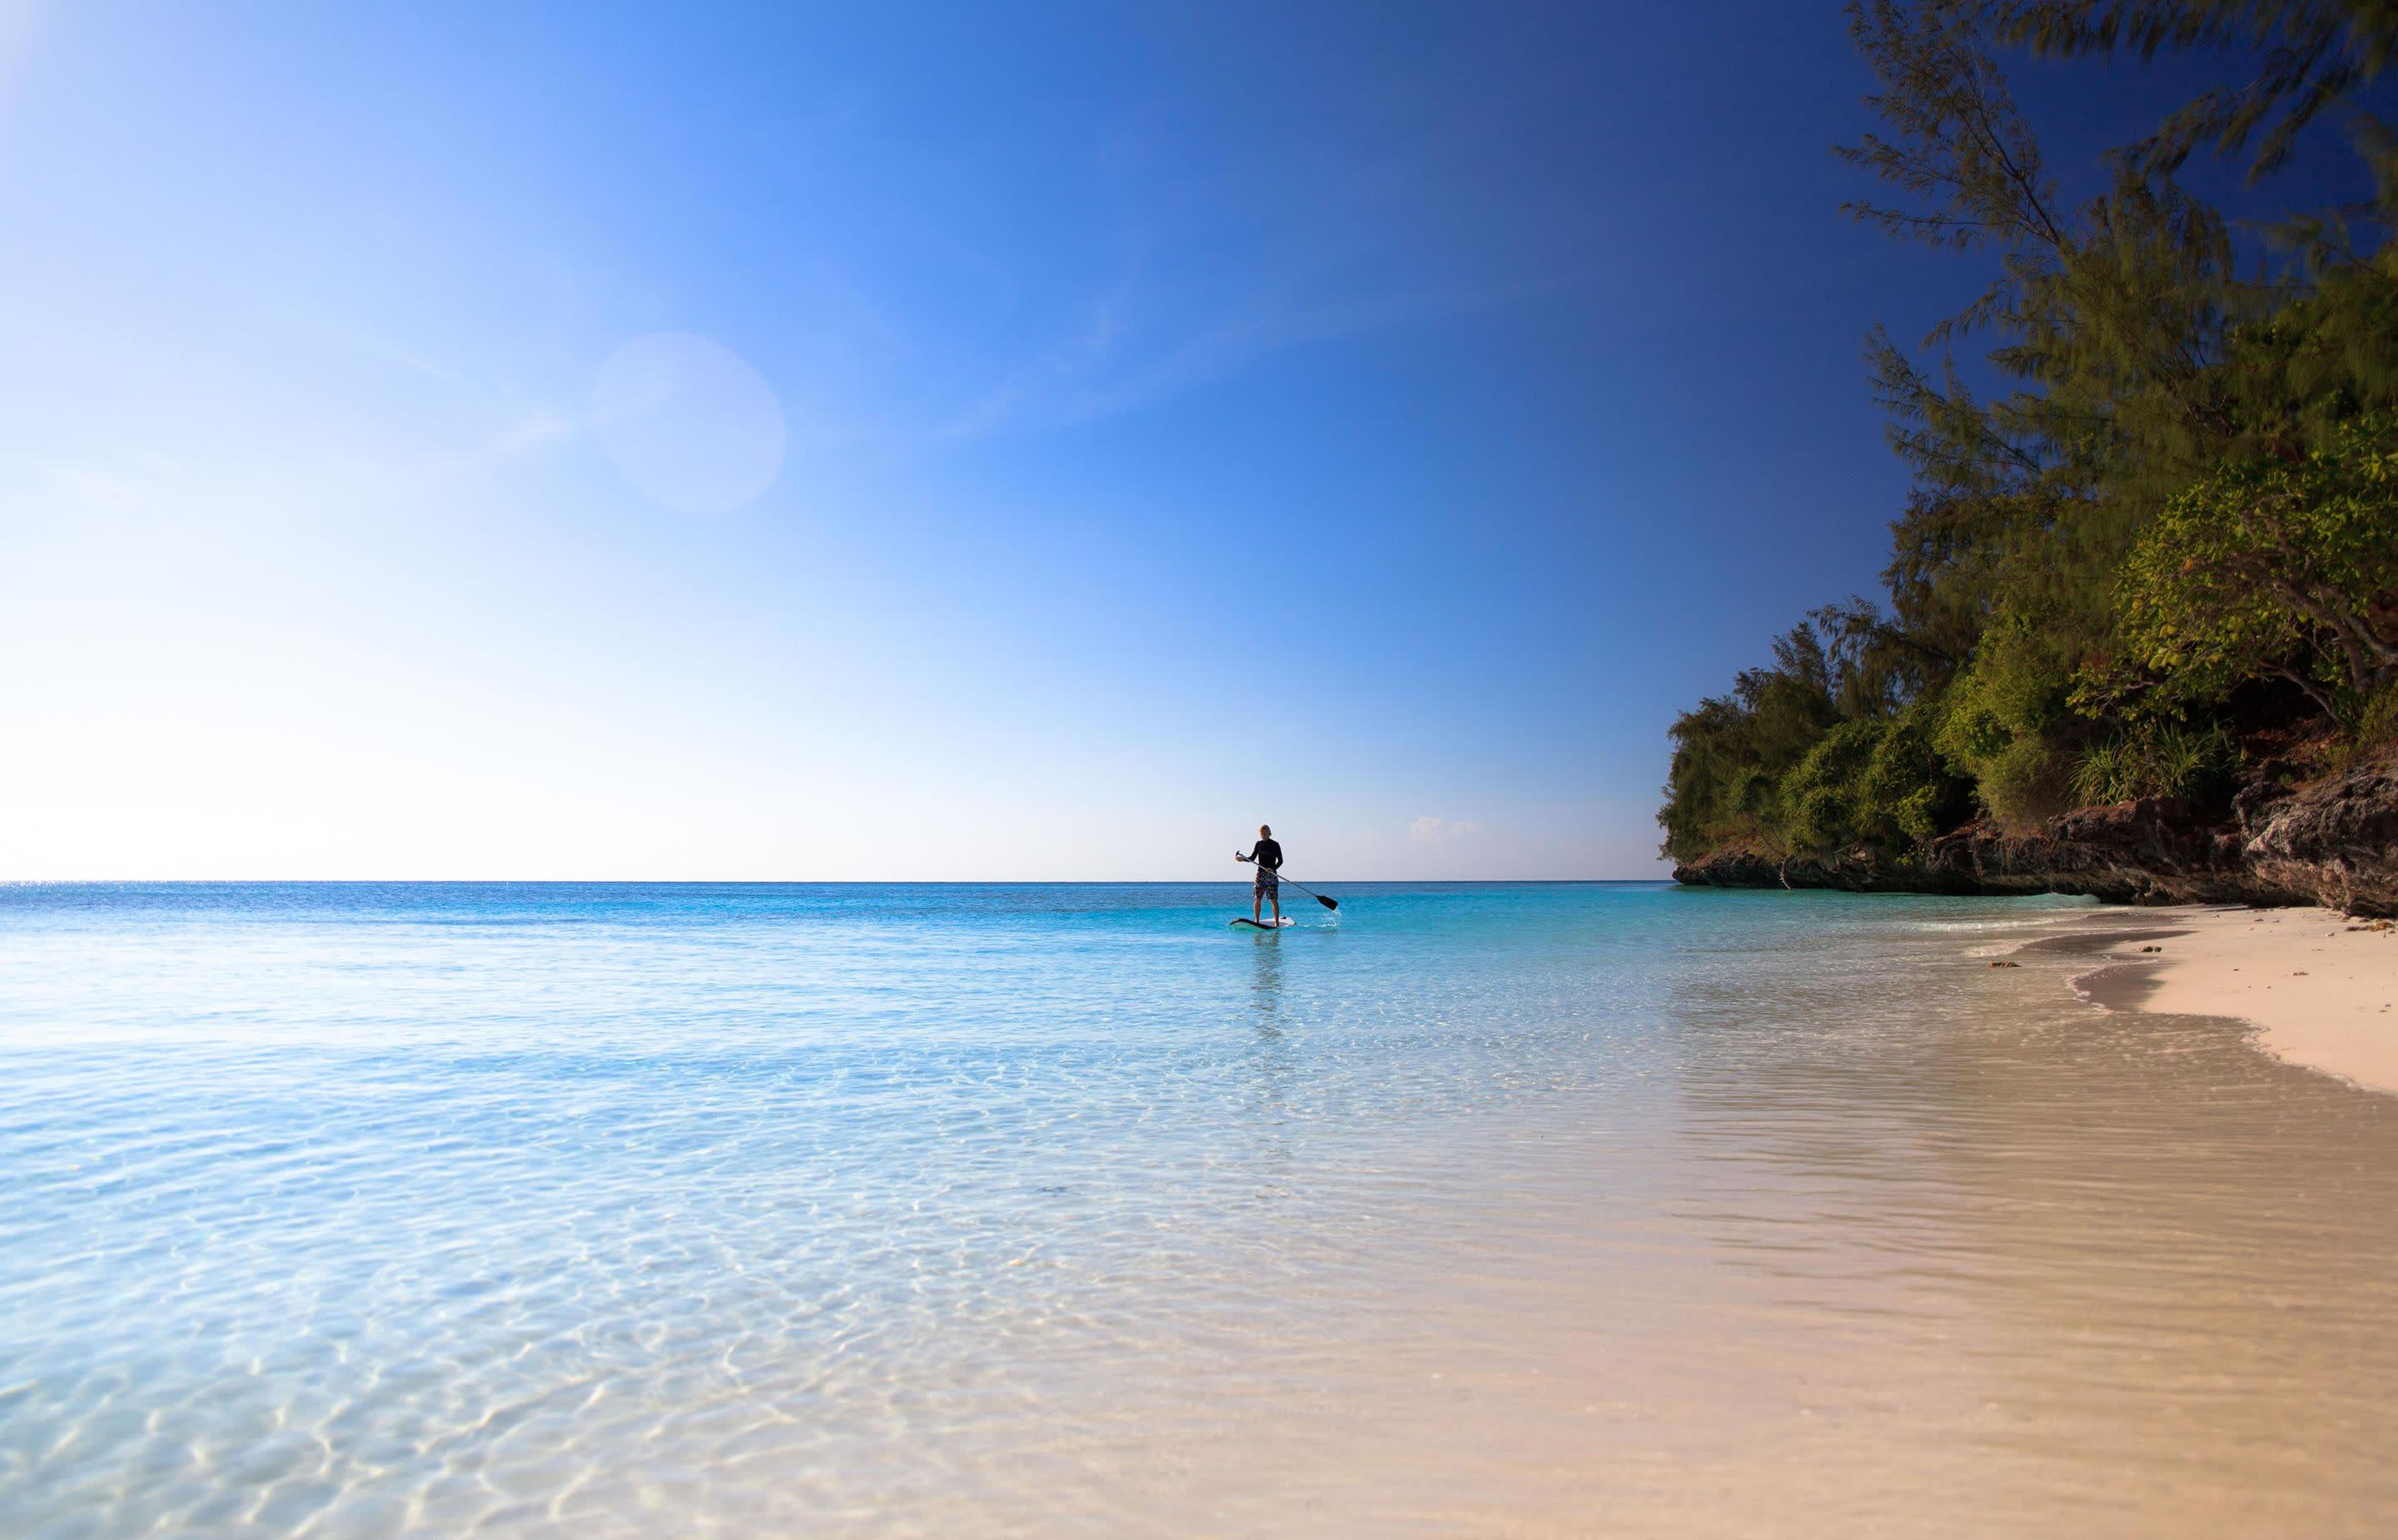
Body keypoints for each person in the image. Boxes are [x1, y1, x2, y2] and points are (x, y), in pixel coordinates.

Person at [1236, 824, 1284, 926]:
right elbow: (1252, 858)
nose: (1263, 835)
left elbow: (1281, 861)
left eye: (1265, 833)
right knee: (1257, 897)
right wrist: (1243, 859)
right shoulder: (1258, 844)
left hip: (1271, 875)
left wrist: (1273, 869)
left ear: (1269, 833)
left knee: (1273, 899)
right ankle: (1257, 920)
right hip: (1260, 874)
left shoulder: (1275, 844)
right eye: (1261, 833)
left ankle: (1276, 922)